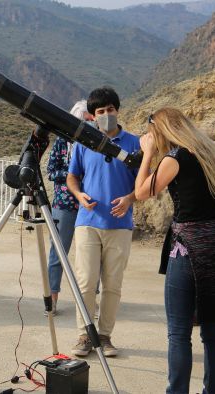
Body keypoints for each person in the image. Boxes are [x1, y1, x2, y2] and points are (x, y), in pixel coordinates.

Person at [134, 107, 215, 394]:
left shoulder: (176, 158)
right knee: (212, 331)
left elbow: (142, 192)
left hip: (188, 249)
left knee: (179, 332)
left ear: (161, 131)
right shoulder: (210, 151)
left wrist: (147, 153)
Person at [66, 87, 140, 357]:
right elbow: (72, 177)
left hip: (120, 225)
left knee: (112, 285)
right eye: (100, 111)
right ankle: (85, 335)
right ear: (93, 116)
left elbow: (145, 183)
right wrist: (79, 194)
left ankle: (106, 337)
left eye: (110, 109)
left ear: (117, 110)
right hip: (88, 222)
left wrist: (130, 198)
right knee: (85, 283)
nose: (106, 115)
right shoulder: (84, 143)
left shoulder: (135, 143)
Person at [45, 100, 91, 316]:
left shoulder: (94, 143)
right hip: (64, 204)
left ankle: (92, 298)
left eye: (87, 120)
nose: (84, 124)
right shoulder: (62, 142)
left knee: (92, 252)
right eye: (80, 120)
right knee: (58, 251)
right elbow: (51, 170)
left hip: (89, 205)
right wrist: (72, 176)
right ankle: (52, 297)